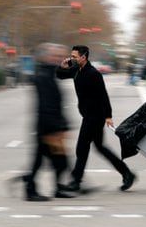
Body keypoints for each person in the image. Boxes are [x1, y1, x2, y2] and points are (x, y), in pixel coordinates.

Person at [56, 45, 136, 192]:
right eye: (71, 56)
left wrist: (108, 116)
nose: (71, 59)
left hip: (95, 116)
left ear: (83, 57)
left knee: (82, 147)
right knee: (100, 147)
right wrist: (61, 66)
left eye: (74, 57)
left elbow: (103, 95)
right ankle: (127, 173)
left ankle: (76, 181)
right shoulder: (76, 71)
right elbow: (60, 75)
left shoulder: (93, 74)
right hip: (87, 115)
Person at [12, 43, 73, 201]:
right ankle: (32, 189)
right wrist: (57, 126)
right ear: (46, 56)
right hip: (48, 127)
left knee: (52, 160)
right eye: (56, 56)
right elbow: (47, 105)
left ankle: (40, 186)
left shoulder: (49, 73)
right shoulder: (43, 76)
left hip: (49, 125)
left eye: (61, 56)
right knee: (56, 160)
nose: (59, 59)